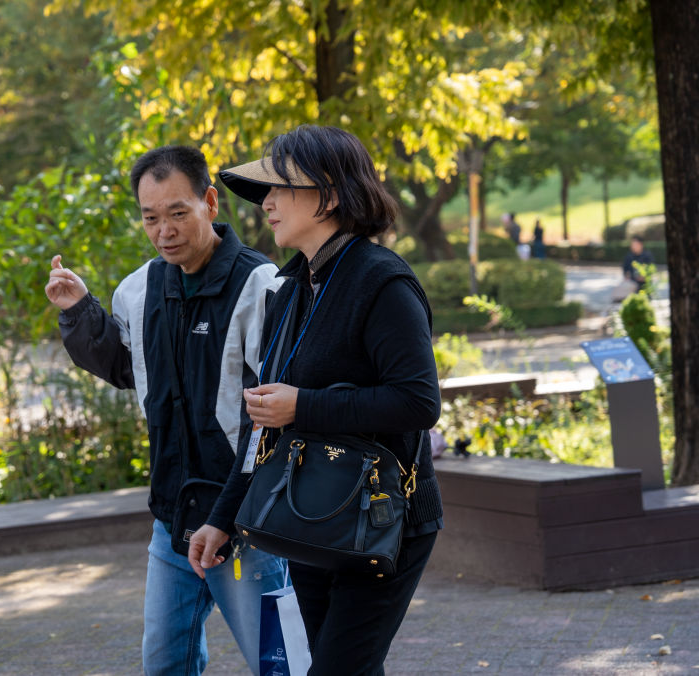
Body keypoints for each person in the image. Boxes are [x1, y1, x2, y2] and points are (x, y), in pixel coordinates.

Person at [189, 125, 443, 675]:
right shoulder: (291, 288)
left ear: (327, 195)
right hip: (309, 521)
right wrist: (223, 518)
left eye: (279, 189)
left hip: (383, 520)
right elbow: (263, 424)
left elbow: (419, 402)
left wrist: (303, 405)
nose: (268, 205)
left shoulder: (384, 282)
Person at [44, 145, 289, 675]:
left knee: (282, 665)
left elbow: (270, 423)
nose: (164, 231)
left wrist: (229, 517)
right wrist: (81, 311)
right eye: (151, 218)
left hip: (245, 523)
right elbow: (125, 368)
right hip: (172, 520)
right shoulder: (138, 289)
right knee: (163, 665)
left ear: (210, 202)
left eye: (178, 213)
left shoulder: (261, 286)